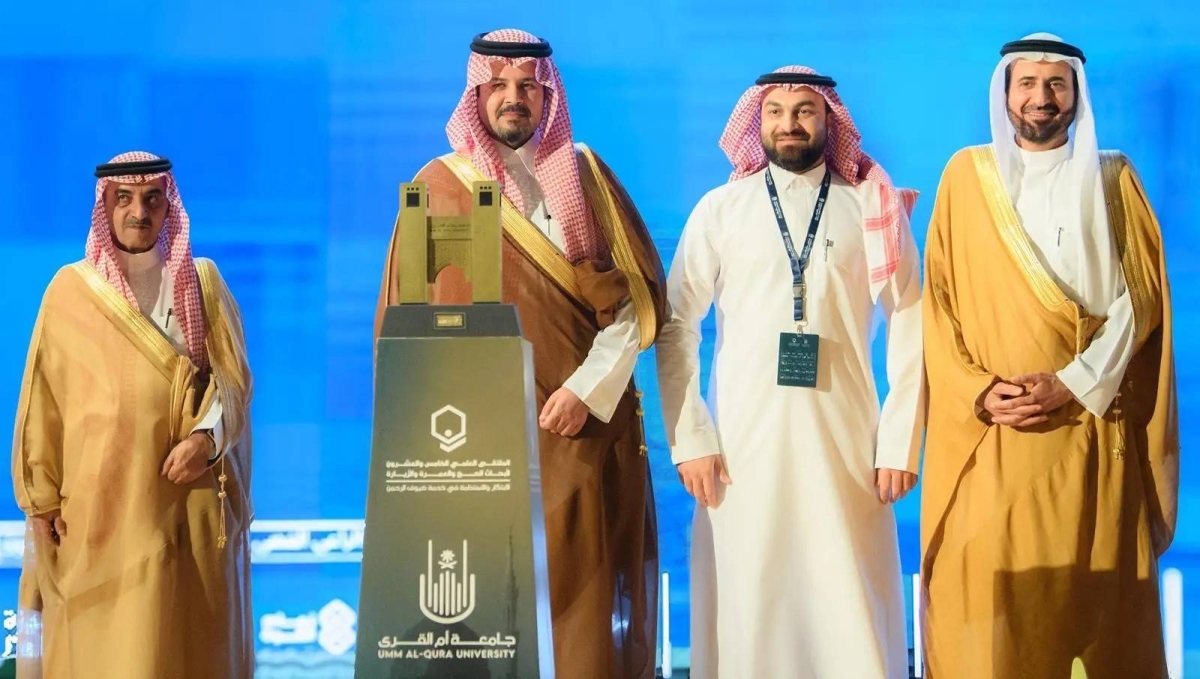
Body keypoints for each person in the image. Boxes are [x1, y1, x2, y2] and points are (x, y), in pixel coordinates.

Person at [375, 29, 667, 678]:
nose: (514, 98)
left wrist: (586, 391)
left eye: (529, 87)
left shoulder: (587, 177)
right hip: (472, 448)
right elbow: (406, 331)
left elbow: (636, 306)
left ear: (548, 96)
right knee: (481, 613)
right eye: (499, 85)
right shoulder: (437, 185)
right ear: (476, 95)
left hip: (581, 431)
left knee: (581, 620)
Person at [920, 33, 1177, 679]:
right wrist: (980, 391)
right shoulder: (965, 176)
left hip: (1089, 428)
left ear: (1076, 95)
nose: (1041, 98)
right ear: (1005, 93)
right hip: (995, 434)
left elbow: (1141, 300)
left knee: (1093, 606)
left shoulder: (1114, 177)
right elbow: (939, 304)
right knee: (987, 618)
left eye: (1056, 84)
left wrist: (1073, 382)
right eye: (1028, 84)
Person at [656, 66, 925, 678]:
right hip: (741, 449)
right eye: (775, 111)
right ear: (757, 121)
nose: (789, 124)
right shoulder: (721, 210)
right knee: (751, 599)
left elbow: (911, 319)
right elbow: (676, 326)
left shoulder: (870, 207)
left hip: (848, 445)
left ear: (829, 119)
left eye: (805, 110)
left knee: (847, 597)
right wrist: (691, 437)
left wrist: (899, 442)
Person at [11, 152, 255, 678]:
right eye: (123, 199)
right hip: (100, 513)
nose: (138, 212)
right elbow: (43, 404)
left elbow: (233, 384)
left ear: (169, 206)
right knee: (108, 649)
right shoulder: (69, 291)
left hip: (183, 507)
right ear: (105, 206)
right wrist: (41, 499)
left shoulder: (203, 283)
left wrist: (206, 441)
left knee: (183, 646)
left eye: (152, 199)